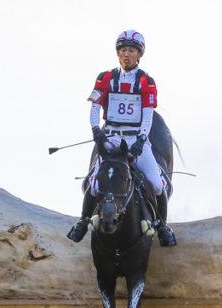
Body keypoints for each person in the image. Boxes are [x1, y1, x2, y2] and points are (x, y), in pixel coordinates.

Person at [67, 29, 177, 246]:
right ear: (118, 53)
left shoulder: (146, 81)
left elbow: (147, 113)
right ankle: (83, 221)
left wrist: (141, 139)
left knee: (156, 184)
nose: (127, 54)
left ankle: (163, 226)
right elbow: (95, 106)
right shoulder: (105, 77)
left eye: (131, 51)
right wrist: (95, 130)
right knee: (93, 182)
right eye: (123, 50)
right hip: (111, 138)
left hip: (136, 139)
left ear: (139, 55)